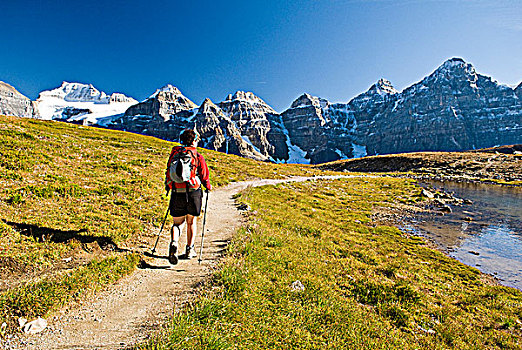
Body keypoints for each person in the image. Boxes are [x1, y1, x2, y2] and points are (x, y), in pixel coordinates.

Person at [165, 129, 211, 264]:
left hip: (177, 192)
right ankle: (189, 250)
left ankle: (174, 242)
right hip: (193, 192)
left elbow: (169, 171)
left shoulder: (175, 154)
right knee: (191, 222)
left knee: (177, 223)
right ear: (194, 141)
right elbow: (204, 175)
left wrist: (169, 186)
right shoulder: (197, 155)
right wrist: (207, 186)